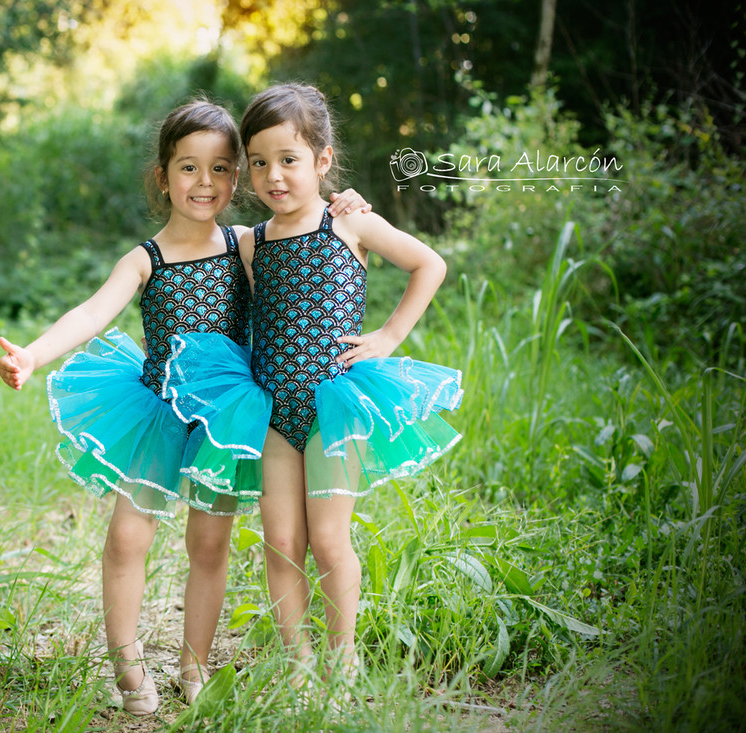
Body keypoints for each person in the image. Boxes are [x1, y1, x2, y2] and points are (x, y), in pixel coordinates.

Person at [0, 98, 370, 715]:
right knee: (127, 538)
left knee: (210, 545)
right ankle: (128, 667)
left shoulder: (247, 244)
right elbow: (91, 313)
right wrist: (33, 355)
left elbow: (310, 237)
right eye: (189, 168)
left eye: (221, 168)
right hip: (157, 411)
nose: (205, 182)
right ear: (163, 176)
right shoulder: (145, 258)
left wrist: (347, 204)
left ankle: (194, 665)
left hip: (223, 421)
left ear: (237, 177)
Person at [164, 83, 464, 694]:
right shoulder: (252, 242)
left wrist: (388, 335)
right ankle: (298, 665)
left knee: (327, 539)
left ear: (323, 160)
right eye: (259, 162)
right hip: (274, 411)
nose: (274, 175)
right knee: (281, 540)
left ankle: (342, 660)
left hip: (335, 405)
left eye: (289, 159)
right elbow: (198, 251)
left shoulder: (347, 222)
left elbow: (428, 264)